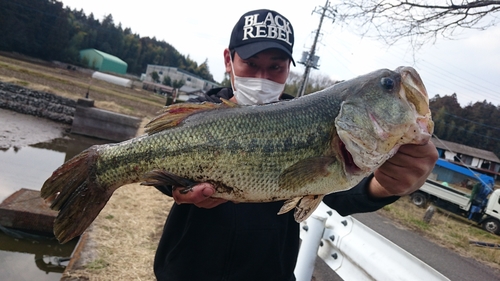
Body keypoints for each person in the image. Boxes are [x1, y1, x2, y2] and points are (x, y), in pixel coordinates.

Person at [153, 9, 438, 281]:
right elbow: (155, 165)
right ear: (229, 60)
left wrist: (389, 185)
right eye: (251, 65)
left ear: (289, 67)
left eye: (275, 67)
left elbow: (344, 191)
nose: (262, 78)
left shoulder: (316, 120)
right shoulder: (199, 114)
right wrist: (174, 185)